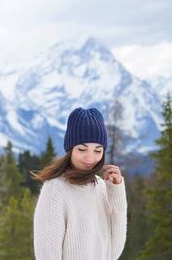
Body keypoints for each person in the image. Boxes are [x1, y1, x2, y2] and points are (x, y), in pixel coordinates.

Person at [32, 107, 127, 260]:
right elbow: (47, 255)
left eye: (98, 150)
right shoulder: (55, 189)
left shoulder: (101, 187)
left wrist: (116, 192)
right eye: (82, 149)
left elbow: (113, 251)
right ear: (70, 150)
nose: (90, 158)